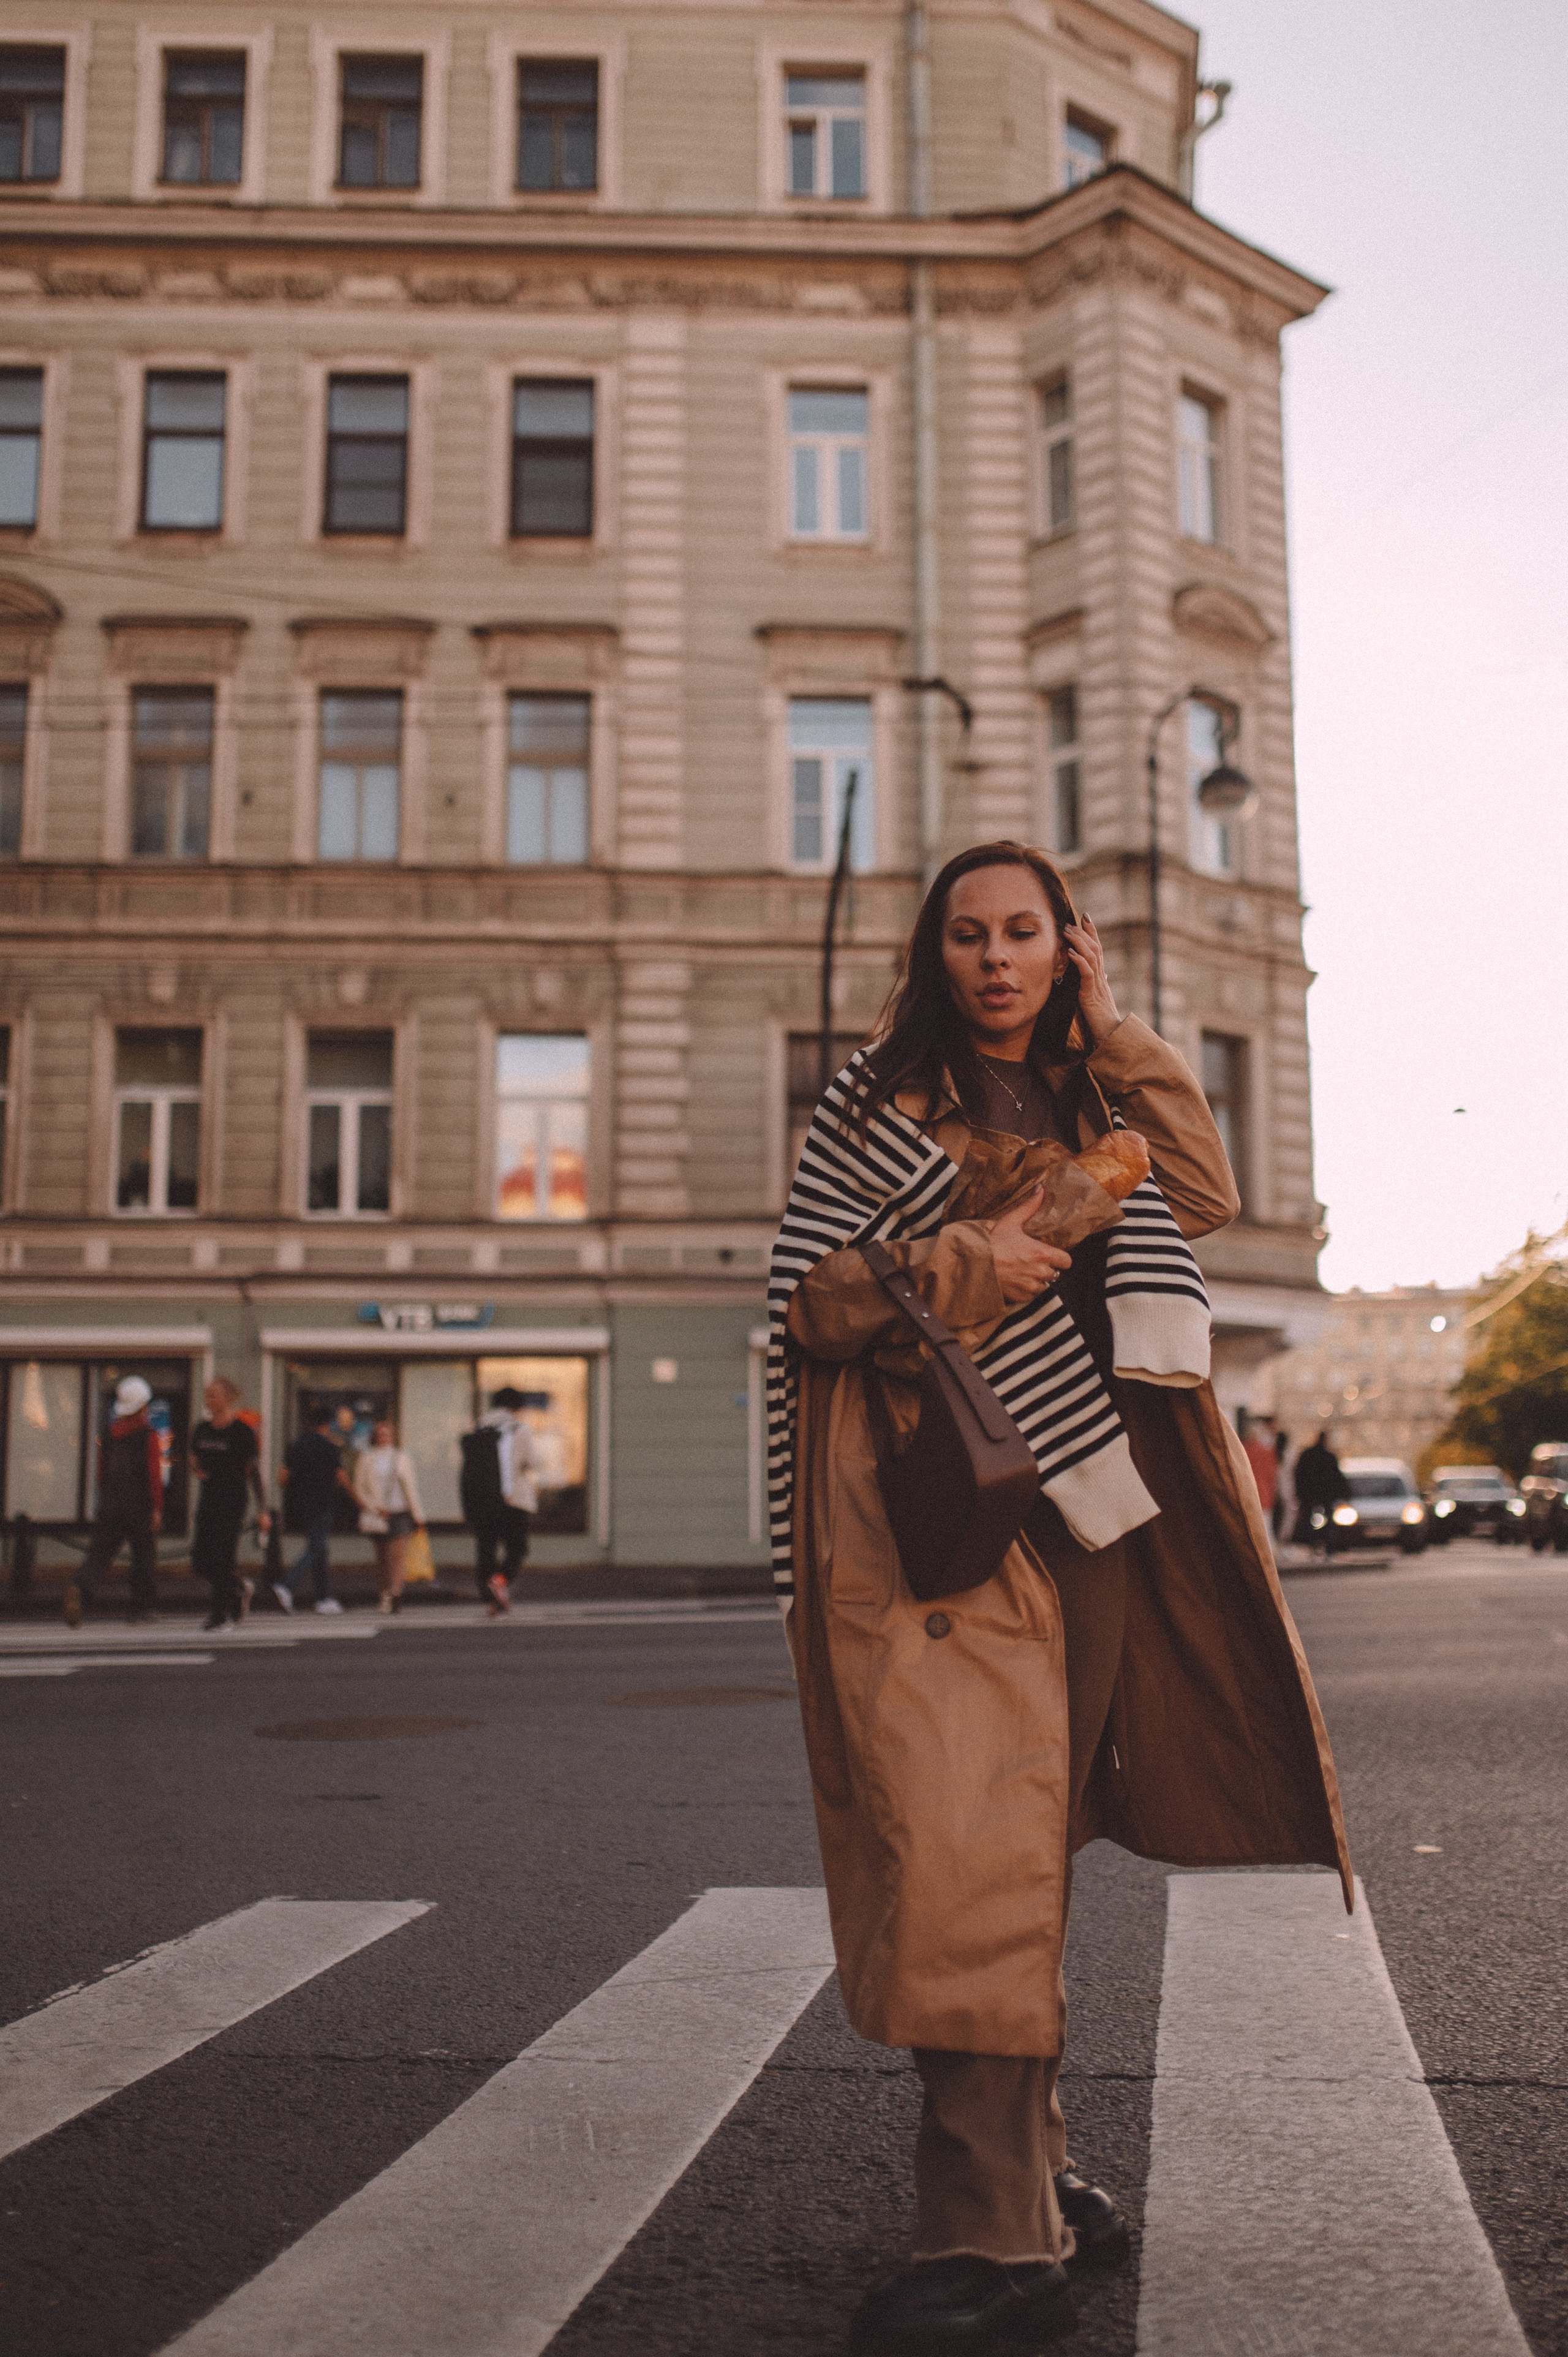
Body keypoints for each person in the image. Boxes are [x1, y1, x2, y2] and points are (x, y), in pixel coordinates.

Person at [769, 842, 1350, 2353]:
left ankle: (1026, 2179)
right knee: (956, 1848)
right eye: (966, 932)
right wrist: (983, 1252)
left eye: (1022, 931)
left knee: (1009, 1851)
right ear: (934, 951)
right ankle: (988, 2230)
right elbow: (812, 1300)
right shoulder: (874, 1102)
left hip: (1086, 1517)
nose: (993, 957)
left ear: (1061, 948)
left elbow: (1205, 1188)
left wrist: (1117, 1031)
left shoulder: (1099, 1101)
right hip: (937, 1521)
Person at [65, 1376, 164, 1626]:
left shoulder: (109, 1434)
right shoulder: (149, 1435)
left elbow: (101, 1472)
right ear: (142, 1407)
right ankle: (142, 1608)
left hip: (110, 1504)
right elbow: (154, 1475)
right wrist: (157, 1508)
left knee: (100, 1554)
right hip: (139, 1505)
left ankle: (80, 1588)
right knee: (143, 1557)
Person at [189, 1378, 270, 1630]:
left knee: (222, 1558)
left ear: (228, 1398)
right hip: (208, 1500)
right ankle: (238, 1588)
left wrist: (263, 1509)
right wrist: (196, 1468)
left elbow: (254, 1471)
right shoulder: (202, 1429)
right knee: (200, 1560)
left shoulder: (241, 1431)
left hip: (232, 1501)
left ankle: (220, 1615)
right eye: (207, 1394)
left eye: (214, 1395)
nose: (208, 1399)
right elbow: (193, 1457)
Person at [460, 1385, 541, 1615]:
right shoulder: (520, 1429)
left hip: (484, 1499)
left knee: (486, 1548)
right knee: (517, 1548)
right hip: (514, 1500)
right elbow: (532, 1462)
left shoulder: (478, 1428)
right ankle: (501, 1581)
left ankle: (491, 1599)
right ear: (516, 1406)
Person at [274, 1405, 353, 1615]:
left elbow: (282, 1479)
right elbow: (342, 1479)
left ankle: (324, 1598)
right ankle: (286, 1585)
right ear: (327, 1425)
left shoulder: (296, 1445)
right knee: (316, 1548)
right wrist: (359, 1500)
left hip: (302, 1504)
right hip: (324, 1503)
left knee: (320, 1548)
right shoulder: (330, 1448)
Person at [353, 1419, 424, 1615]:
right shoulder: (367, 1458)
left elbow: (411, 1488)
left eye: (387, 1434)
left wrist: (418, 1515)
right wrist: (376, 1508)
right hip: (379, 1514)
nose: (383, 1437)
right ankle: (385, 1594)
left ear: (393, 1436)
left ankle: (396, 1594)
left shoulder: (402, 1458)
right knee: (382, 1558)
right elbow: (360, 1489)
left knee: (397, 1556)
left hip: (400, 1511)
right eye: (379, 1434)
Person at [1292, 1428, 1349, 1549]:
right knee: (1329, 1521)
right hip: (1325, 1494)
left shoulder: (1307, 1455)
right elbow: (1337, 1477)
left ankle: (1311, 1545)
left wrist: (1299, 1492)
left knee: (1308, 1520)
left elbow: (1299, 1474)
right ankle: (1328, 1547)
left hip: (1309, 1494)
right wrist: (1343, 1493)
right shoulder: (1329, 1456)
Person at [1242, 1413, 1279, 1524]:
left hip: (1246, 1495)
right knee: (1264, 1526)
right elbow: (1272, 1476)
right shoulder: (1267, 1452)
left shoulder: (1243, 1451)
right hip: (1264, 1495)